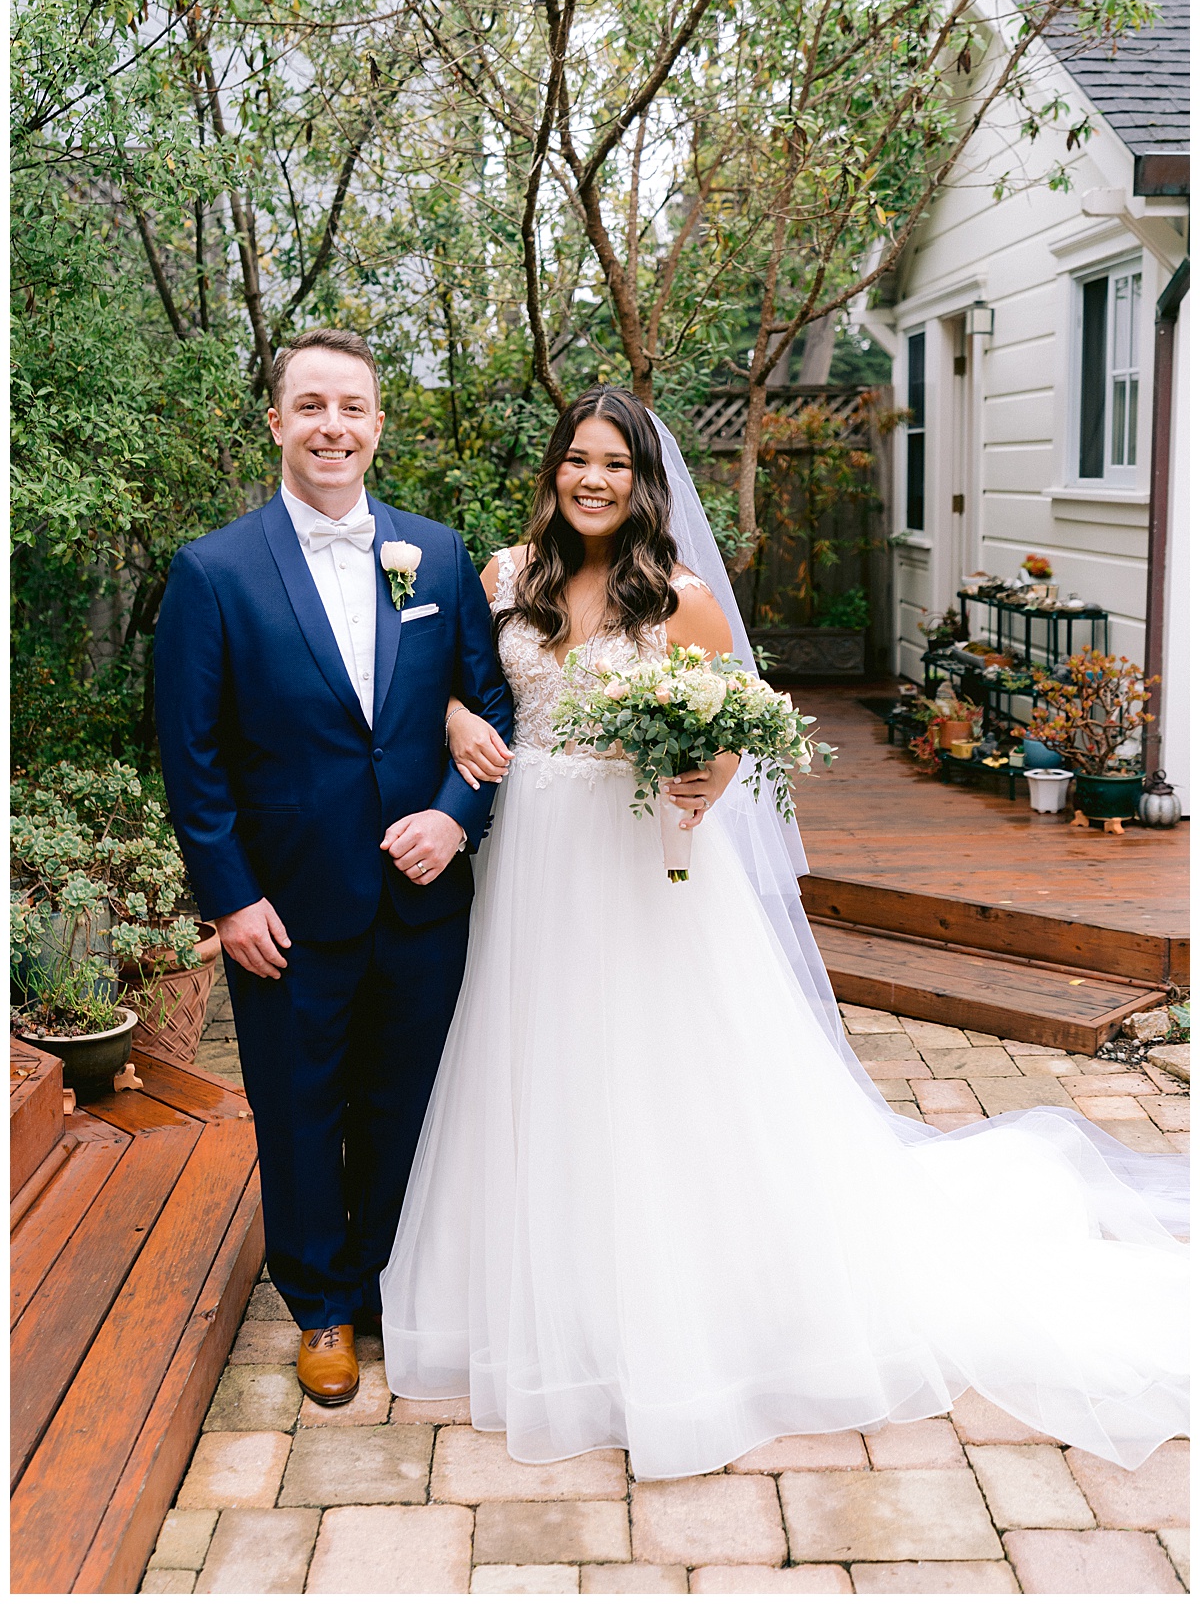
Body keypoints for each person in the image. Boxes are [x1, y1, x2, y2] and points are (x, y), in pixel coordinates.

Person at [380, 382, 1187, 1482]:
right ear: (554, 469)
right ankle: (542, 1288)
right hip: (532, 855)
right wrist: (464, 715)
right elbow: (450, 688)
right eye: (578, 460)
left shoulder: (682, 597)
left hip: (639, 857)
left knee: (661, 1069)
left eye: (615, 463)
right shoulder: (506, 579)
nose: (593, 480)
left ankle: (686, 1306)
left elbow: (731, 738)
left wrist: (706, 771)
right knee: (539, 1055)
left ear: (642, 481)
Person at [155, 328, 512, 1408]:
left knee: (408, 1097)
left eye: (351, 407)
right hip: (286, 905)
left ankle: (388, 1286)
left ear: (378, 425)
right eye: (310, 406)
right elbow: (192, 756)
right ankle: (319, 1309)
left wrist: (455, 818)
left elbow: (490, 712)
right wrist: (229, 898)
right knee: (300, 1106)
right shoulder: (214, 571)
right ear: (275, 423)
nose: (332, 427)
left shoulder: (437, 557)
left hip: (419, 898)